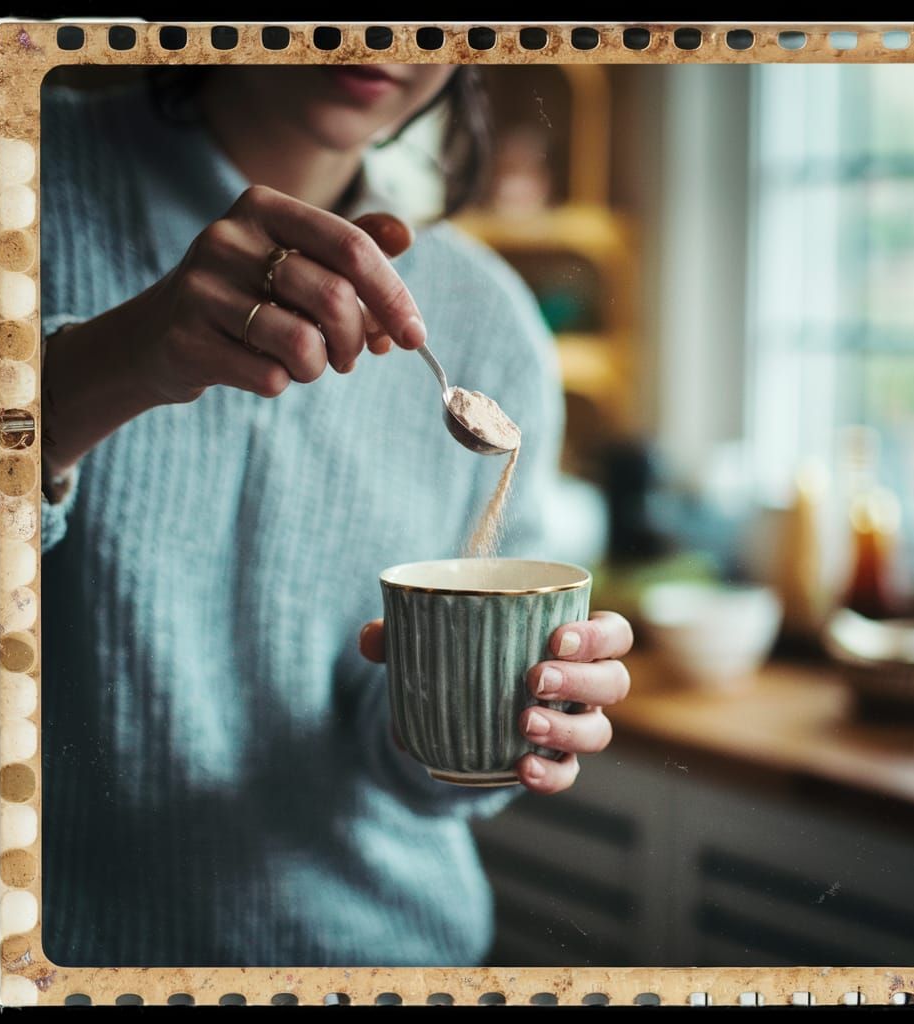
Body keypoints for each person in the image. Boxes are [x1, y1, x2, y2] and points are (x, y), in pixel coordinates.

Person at [39, 63, 633, 968]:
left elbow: (388, 747)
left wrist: (494, 715)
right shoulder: (26, 167)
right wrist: (103, 365)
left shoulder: (487, 323)